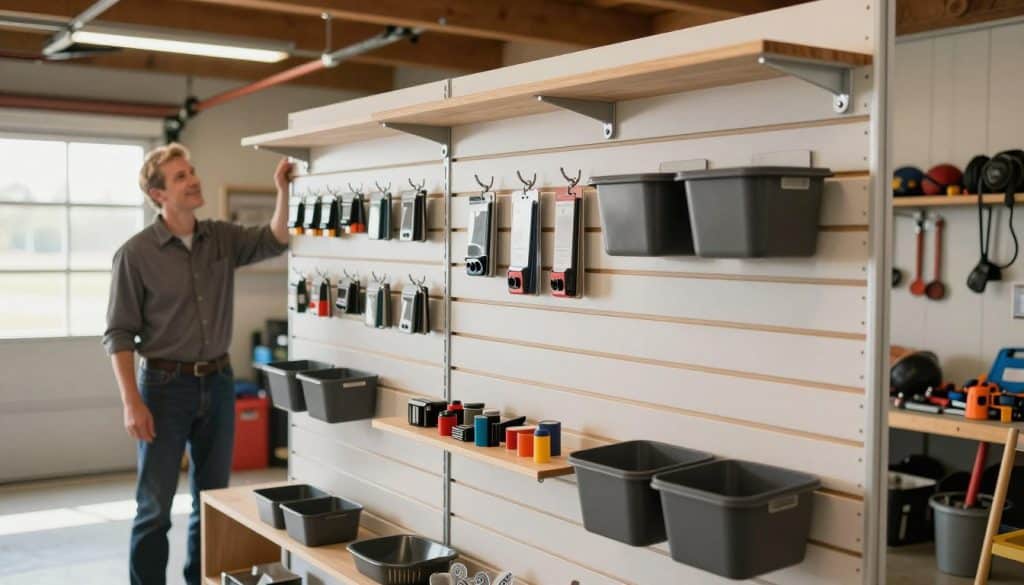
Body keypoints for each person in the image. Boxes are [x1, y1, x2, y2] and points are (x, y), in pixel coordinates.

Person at [103, 143, 292, 585]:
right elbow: (118, 335)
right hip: (163, 388)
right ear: (158, 194)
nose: (194, 180)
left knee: (213, 501)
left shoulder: (221, 238)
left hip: (220, 383)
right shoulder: (135, 255)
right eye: (181, 176)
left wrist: (281, 189)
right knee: (154, 507)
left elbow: (275, 238)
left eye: (192, 171)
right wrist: (132, 402)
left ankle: (199, 581)